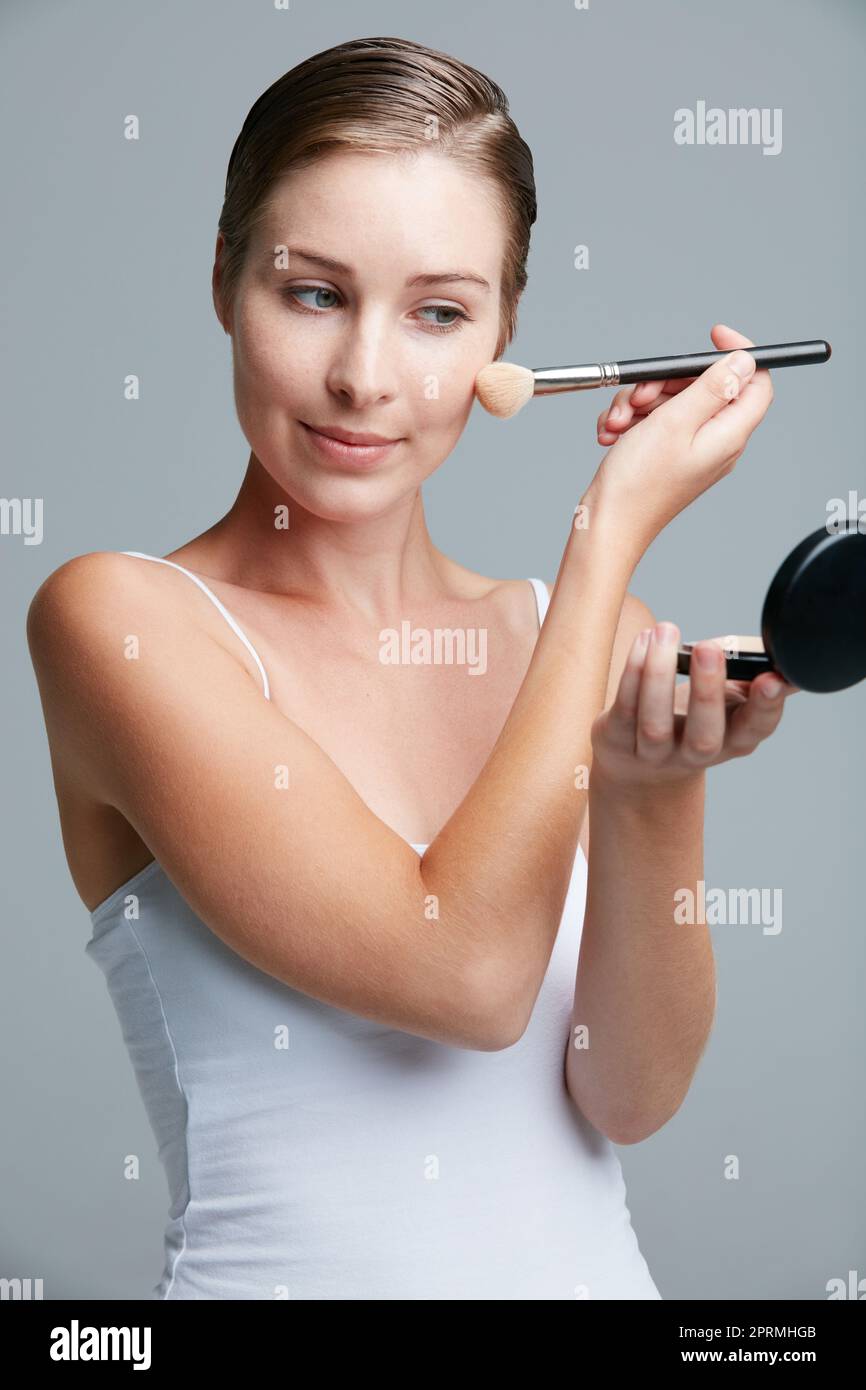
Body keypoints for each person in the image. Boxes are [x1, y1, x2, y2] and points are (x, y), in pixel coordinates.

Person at [26, 36, 796, 1300]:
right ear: (223, 280)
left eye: (438, 311)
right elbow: (470, 977)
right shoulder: (120, 620)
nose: (365, 378)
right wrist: (608, 529)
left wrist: (653, 791)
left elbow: (627, 1091)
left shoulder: (573, 630)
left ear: (503, 341)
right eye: (313, 292)